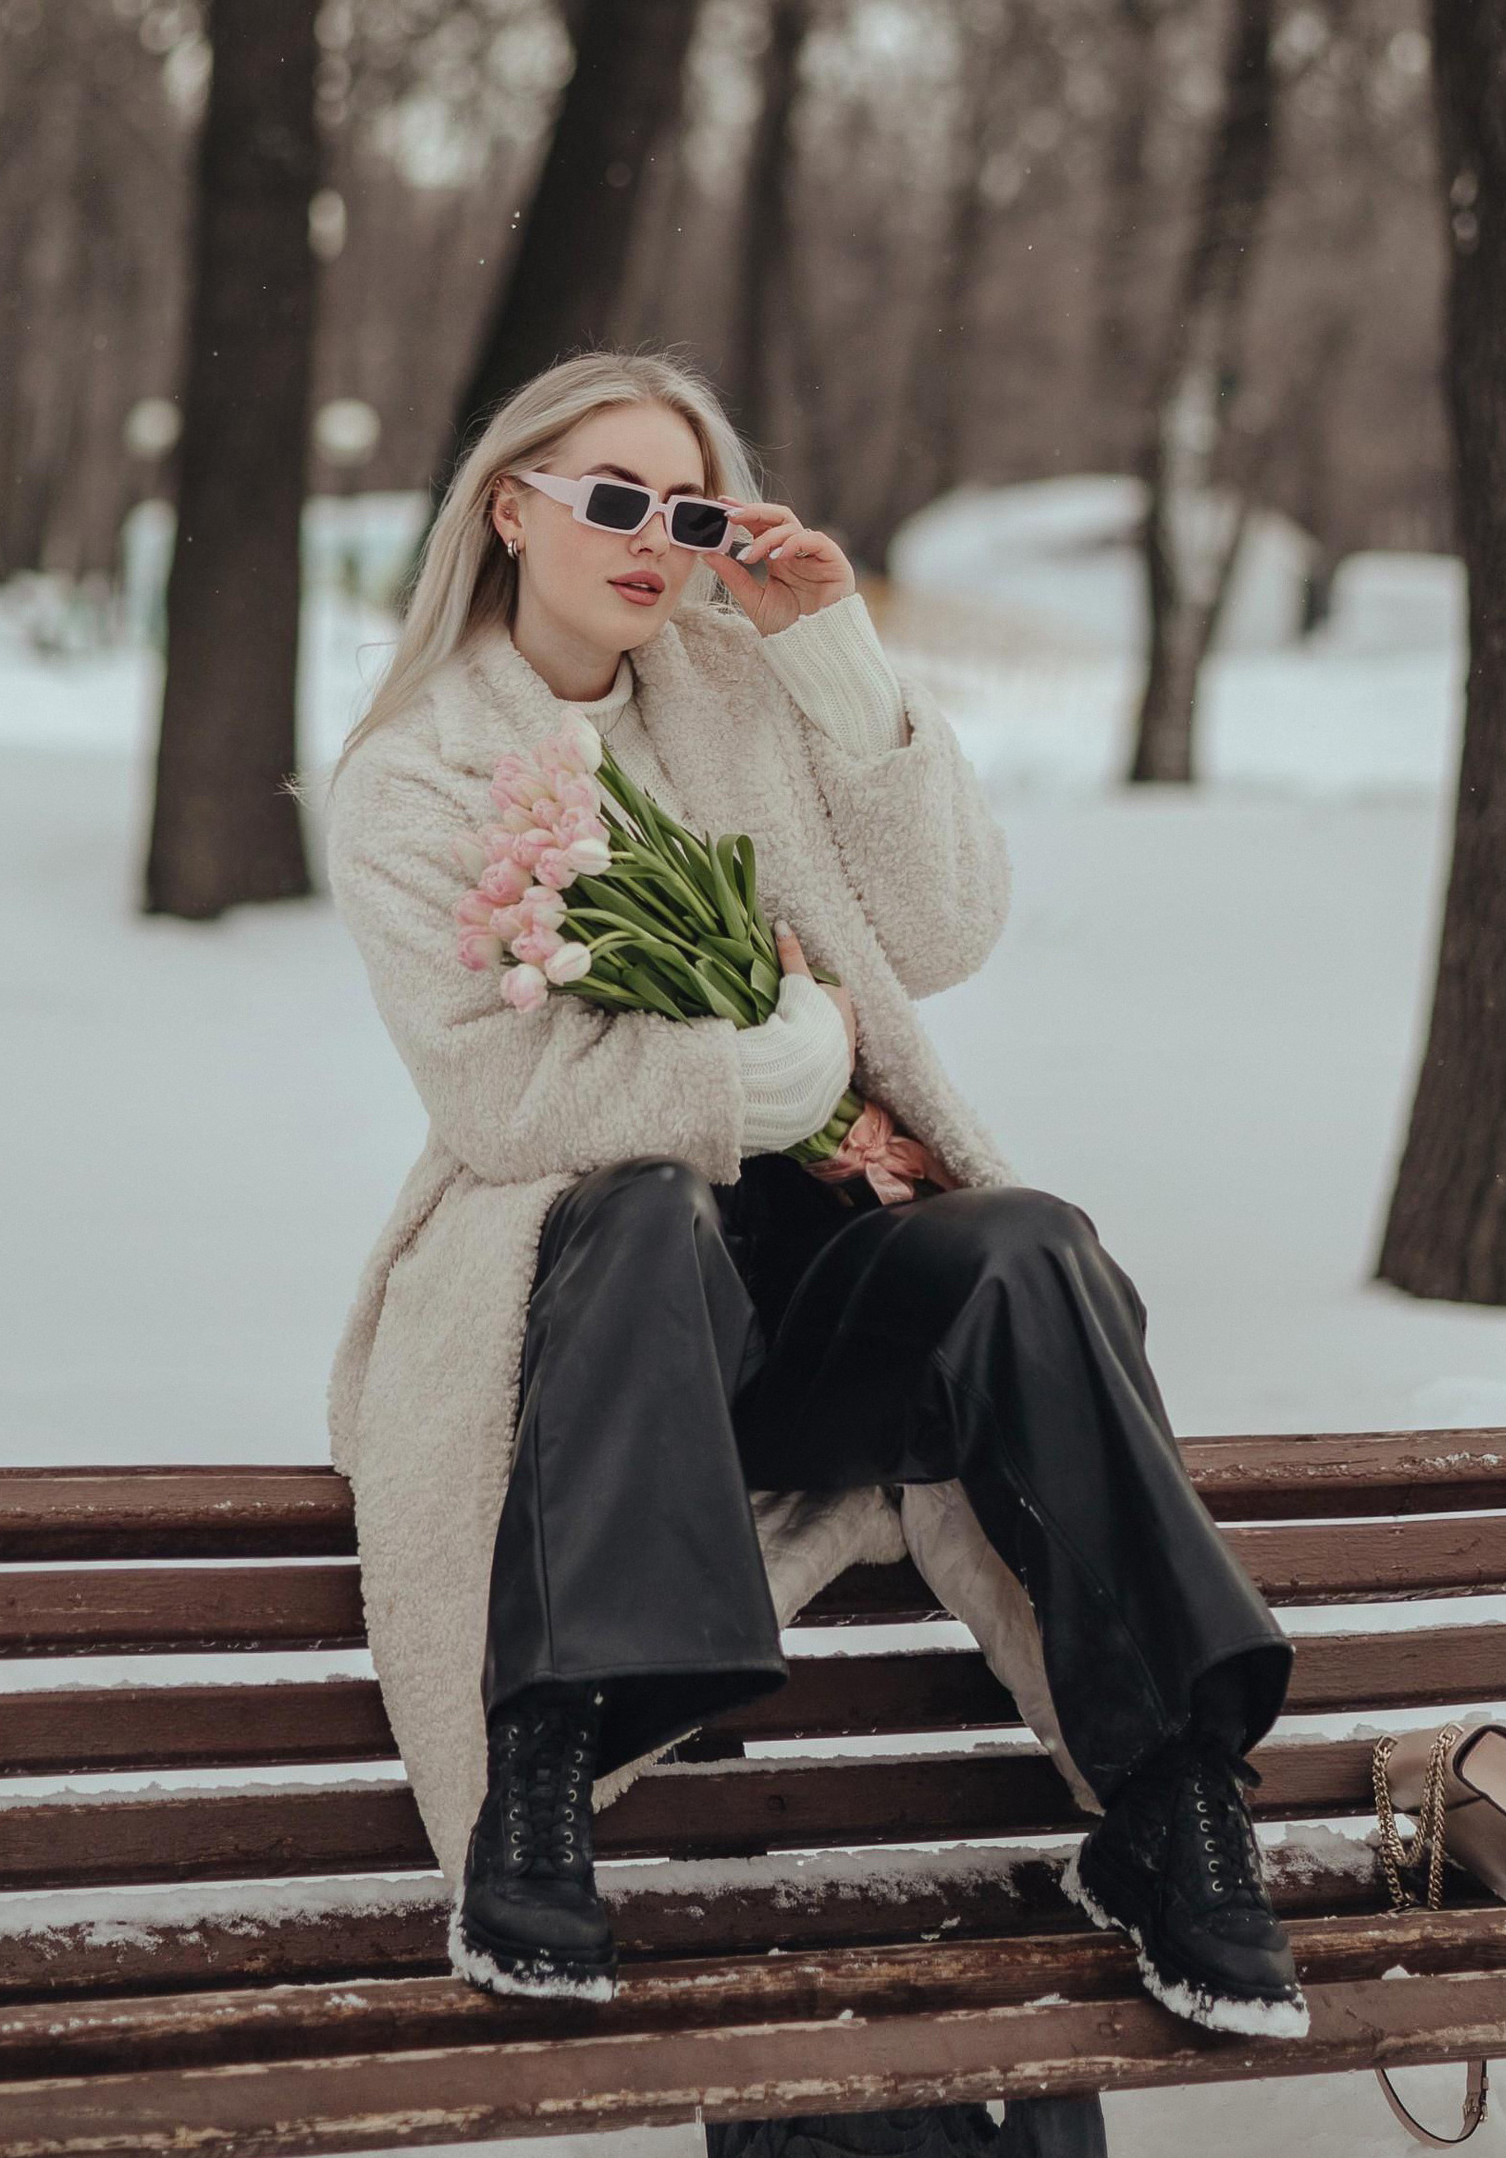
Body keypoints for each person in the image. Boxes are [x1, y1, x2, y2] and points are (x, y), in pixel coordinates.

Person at [324, 350, 1303, 2041]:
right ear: (510, 509)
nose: (654, 544)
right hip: (595, 1319)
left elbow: (942, 933)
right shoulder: (414, 774)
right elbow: (497, 1101)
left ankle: (1173, 1808)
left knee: (1027, 1247)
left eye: (687, 513)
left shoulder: (730, 683)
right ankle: (536, 1786)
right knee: (638, 1204)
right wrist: (750, 1082)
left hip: (814, 1284)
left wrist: (832, 657)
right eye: (612, 502)